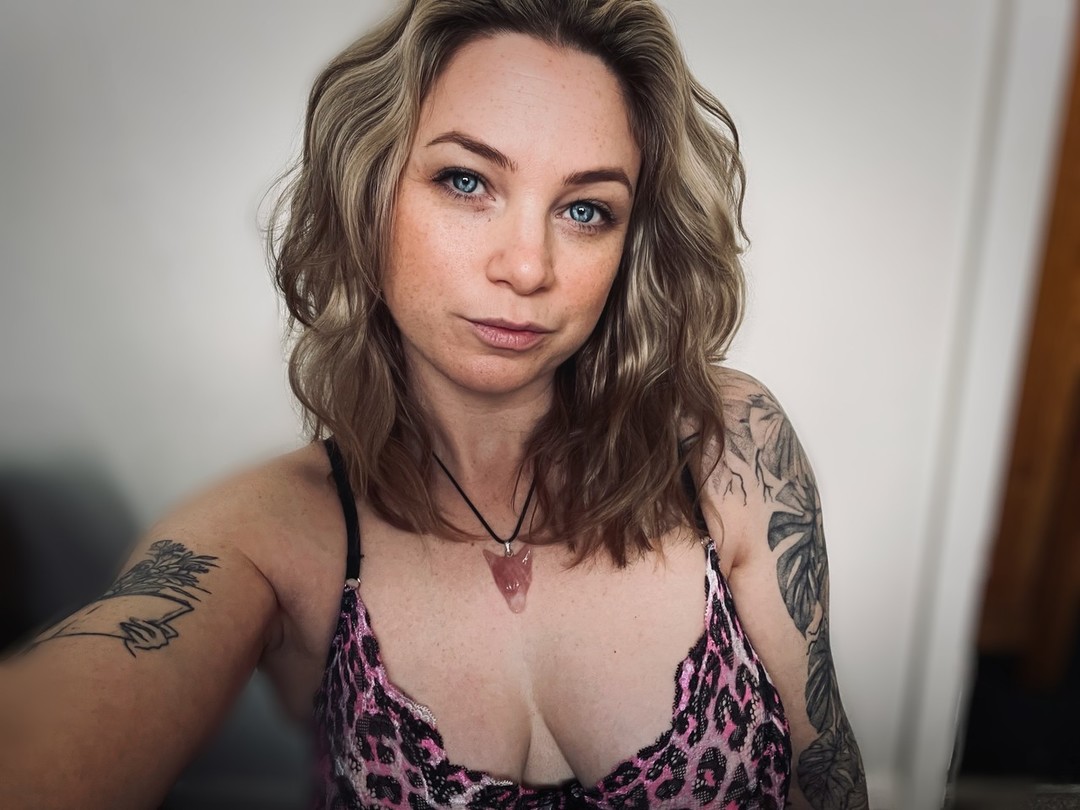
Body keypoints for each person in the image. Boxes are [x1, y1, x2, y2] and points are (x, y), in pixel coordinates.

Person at [0, 0, 868, 807]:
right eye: (465, 181)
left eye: (584, 210)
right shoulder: (277, 535)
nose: (526, 267)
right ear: (369, 190)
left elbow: (828, 776)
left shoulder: (724, 445)